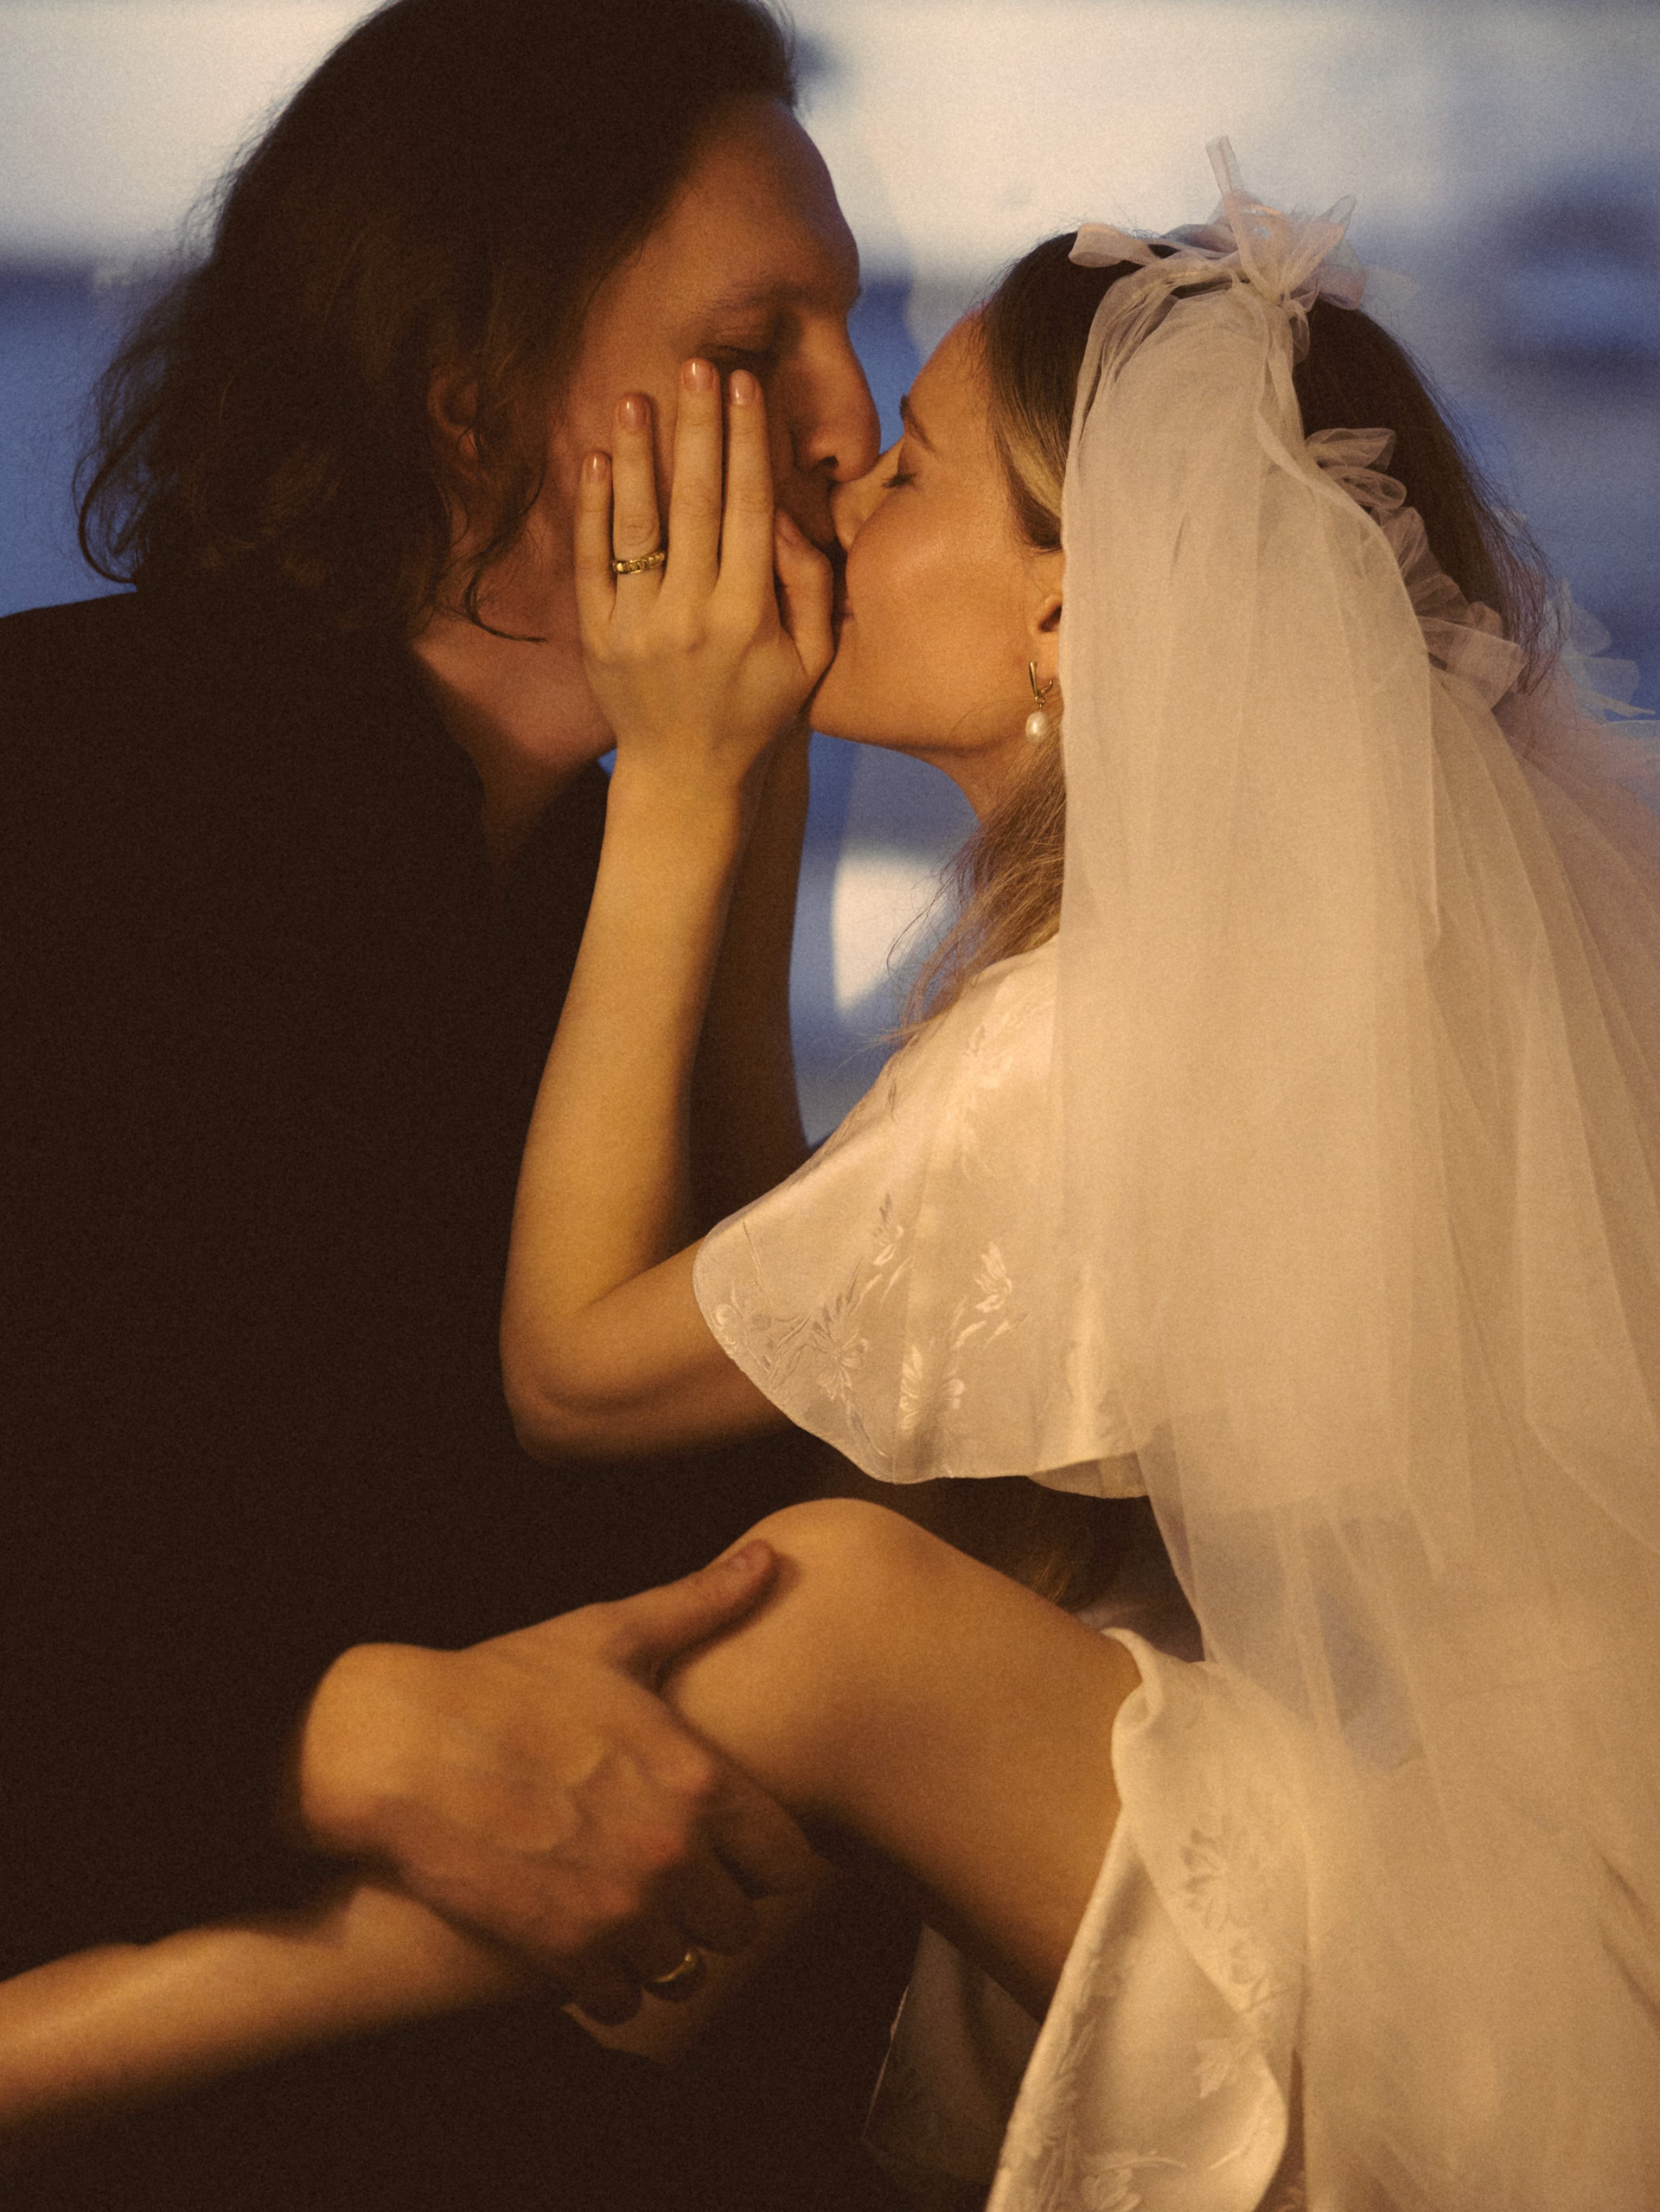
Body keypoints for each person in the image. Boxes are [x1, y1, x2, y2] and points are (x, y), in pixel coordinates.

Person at [9, 144, 1660, 2208]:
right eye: (763, 357)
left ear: (1067, 601)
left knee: (833, 1608)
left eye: (908, 469)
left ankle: (77, 2038)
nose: (831, 483)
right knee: (837, 1597)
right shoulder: (1213, 957)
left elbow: (583, 1373)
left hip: (1486, 1974)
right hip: (1481, 1890)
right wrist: (742, 754)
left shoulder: (1131, 1014)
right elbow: (792, 1326)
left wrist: (691, 778)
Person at [0, 0, 918, 2204]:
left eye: (855, 328)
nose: (851, 422)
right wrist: (316, 1734)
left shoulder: (608, 860)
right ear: (472, 405)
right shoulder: (96, 769)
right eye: (753, 346)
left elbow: (704, 1465)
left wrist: (734, 815)